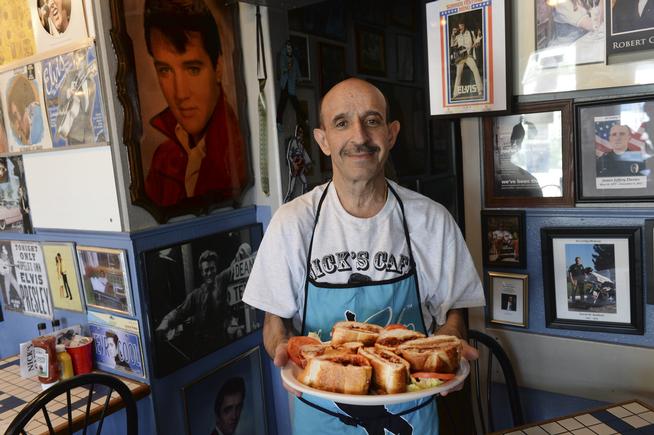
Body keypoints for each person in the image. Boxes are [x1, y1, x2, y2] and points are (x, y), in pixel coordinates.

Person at [242, 78, 485, 434]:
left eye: (372, 121)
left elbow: (454, 310)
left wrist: (449, 343)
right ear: (323, 141)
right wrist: (282, 348)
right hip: (320, 415)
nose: (360, 136)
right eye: (342, 123)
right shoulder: (293, 222)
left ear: (391, 133)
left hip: (410, 411)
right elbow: (274, 322)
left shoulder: (431, 220)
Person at [143, 1, 248, 207]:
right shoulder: (164, 159)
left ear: (217, 68)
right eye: (165, 70)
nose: (180, 93)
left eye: (192, 69)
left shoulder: (239, 150)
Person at [155, 244, 250, 353]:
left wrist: (243, 248)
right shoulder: (196, 295)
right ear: (202, 272)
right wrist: (164, 324)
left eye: (212, 269)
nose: (209, 273)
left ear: (216, 268)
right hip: (204, 347)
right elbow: (178, 312)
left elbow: (235, 266)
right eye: (206, 270)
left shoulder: (222, 279)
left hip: (225, 342)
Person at [56, 49, 96, 145]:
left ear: (85, 60)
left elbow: (88, 109)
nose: (79, 63)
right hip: (74, 132)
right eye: (77, 60)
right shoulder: (71, 76)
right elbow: (61, 98)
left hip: (88, 132)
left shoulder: (91, 82)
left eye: (82, 60)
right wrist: (68, 92)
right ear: (74, 61)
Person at [450, 20, 483, 99]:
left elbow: (477, 44)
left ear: (464, 25)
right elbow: (452, 44)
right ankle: (455, 94)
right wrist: (453, 35)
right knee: (458, 75)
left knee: (475, 70)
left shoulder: (470, 33)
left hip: (468, 56)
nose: (460, 27)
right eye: (459, 25)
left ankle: (480, 90)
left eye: (462, 25)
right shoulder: (457, 36)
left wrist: (478, 38)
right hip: (460, 57)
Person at [283, 124, 312, 203]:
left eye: (301, 133)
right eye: (299, 132)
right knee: (291, 188)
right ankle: (286, 201)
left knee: (305, 182)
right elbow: (289, 155)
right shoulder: (293, 142)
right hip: (294, 167)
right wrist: (294, 164)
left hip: (300, 167)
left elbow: (305, 155)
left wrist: (308, 163)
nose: (300, 134)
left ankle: (304, 199)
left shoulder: (301, 145)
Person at [277, 40, 303, 127]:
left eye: (290, 48)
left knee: (294, 101)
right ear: (286, 49)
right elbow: (282, 68)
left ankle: (304, 118)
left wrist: (299, 78)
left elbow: (297, 70)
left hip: (291, 85)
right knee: (283, 103)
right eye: (288, 48)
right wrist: (287, 68)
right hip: (285, 83)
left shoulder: (294, 59)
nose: (289, 50)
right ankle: (279, 122)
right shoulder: (283, 57)